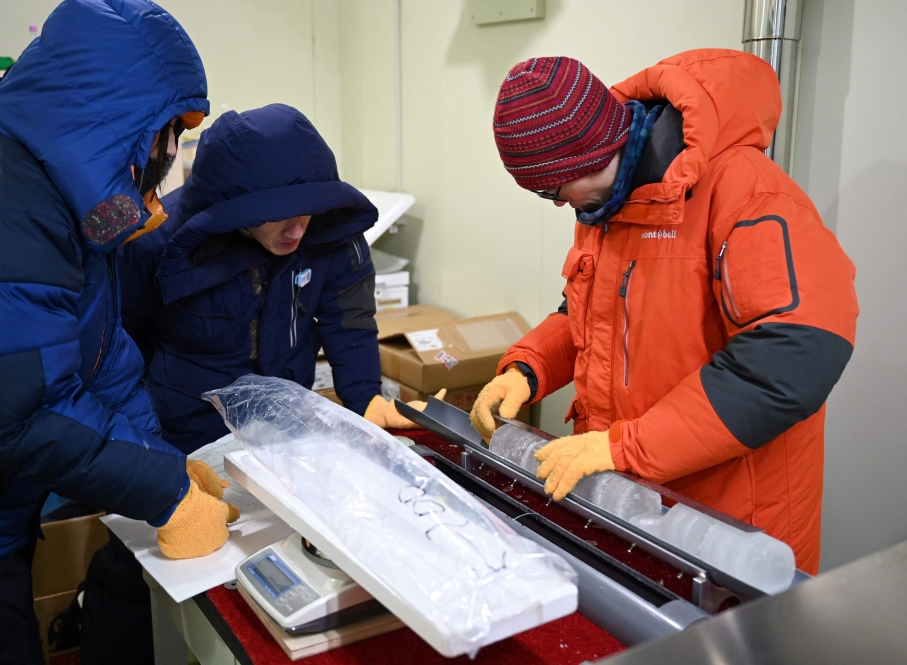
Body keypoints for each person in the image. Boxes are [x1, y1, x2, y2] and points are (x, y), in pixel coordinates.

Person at [0, 1, 237, 663]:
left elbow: (101, 356)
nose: (170, 154)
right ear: (125, 124)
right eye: (168, 133)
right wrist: (166, 493)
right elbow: (26, 414)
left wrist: (163, 462)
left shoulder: (43, 195)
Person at [471, 50, 857, 573]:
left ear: (592, 153)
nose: (557, 202)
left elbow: (791, 362)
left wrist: (627, 447)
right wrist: (528, 367)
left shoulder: (747, 193)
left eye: (553, 188)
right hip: (637, 503)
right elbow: (589, 312)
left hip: (734, 529)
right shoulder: (605, 204)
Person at [120, 104, 432, 455]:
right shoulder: (157, 240)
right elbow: (122, 343)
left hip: (287, 431)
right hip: (184, 436)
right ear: (234, 210)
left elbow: (350, 322)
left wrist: (366, 399)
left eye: (307, 207)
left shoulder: (332, 233)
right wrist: (142, 442)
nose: (297, 229)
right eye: (278, 214)